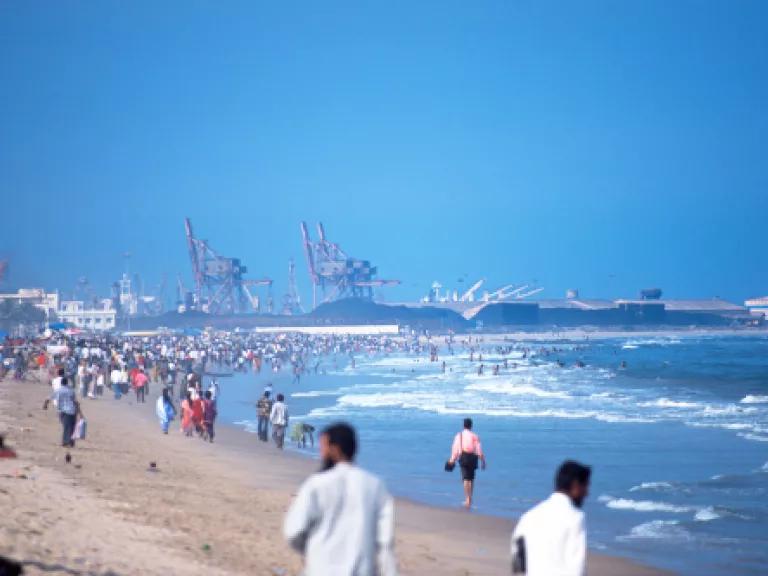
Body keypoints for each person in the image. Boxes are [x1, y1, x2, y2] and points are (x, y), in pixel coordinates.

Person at [283, 422, 397, 576]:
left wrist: (312, 548)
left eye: (323, 447)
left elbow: (293, 532)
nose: (321, 453)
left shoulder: (316, 484)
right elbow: (385, 543)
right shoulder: (375, 486)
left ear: (334, 449)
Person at [510, 461, 591, 576]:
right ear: (575, 485)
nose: (587, 493)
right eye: (585, 486)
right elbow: (577, 569)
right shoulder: (575, 518)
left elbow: (517, 563)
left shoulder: (529, 517)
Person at [447, 418, 486, 508]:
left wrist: (452, 459)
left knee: (465, 479)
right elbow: (479, 450)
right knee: (471, 479)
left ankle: (467, 498)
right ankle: (470, 498)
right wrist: (483, 461)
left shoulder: (459, 435)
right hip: (473, 457)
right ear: (471, 426)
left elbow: (455, 449)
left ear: (463, 425)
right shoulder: (475, 436)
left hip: (463, 456)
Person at [43, 377, 80, 447]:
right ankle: (71, 442)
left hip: (63, 411)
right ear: (67, 383)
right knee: (72, 426)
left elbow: (48, 398)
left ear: (61, 383)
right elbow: (75, 402)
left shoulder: (58, 390)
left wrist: (45, 405)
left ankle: (65, 442)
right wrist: (79, 412)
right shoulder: (71, 391)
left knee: (66, 426)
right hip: (72, 410)